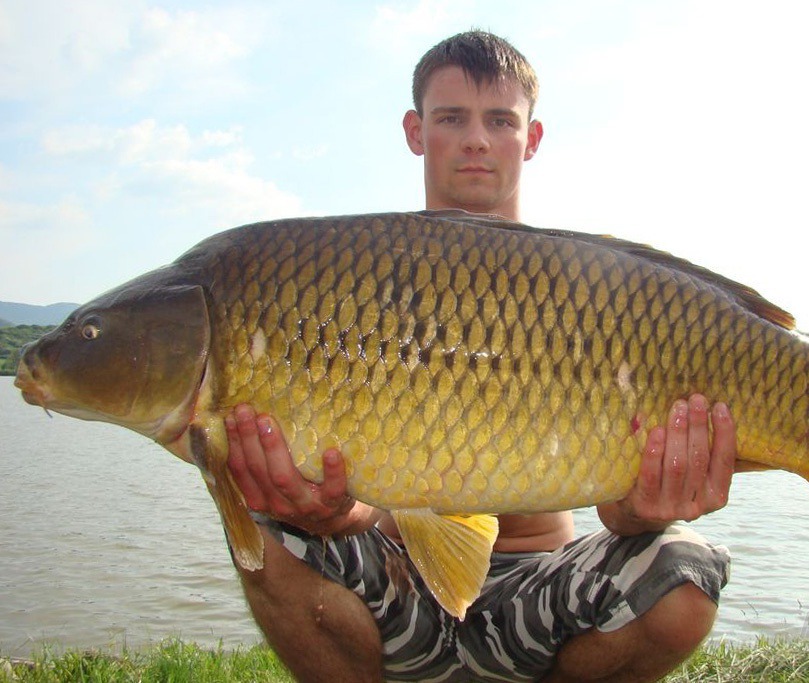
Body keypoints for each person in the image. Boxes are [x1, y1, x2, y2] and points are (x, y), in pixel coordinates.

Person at [225, 31, 735, 683]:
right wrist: (326, 509)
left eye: (499, 120)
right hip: (399, 590)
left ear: (533, 136)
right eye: (451, 118)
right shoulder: (360, 286)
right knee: (261, 531)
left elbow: (618, 515)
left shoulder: (591, 293)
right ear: (415, 130)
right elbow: (359, 501)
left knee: (684, 575)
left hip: (542, 595)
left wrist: (654, 497)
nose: (476, 139)